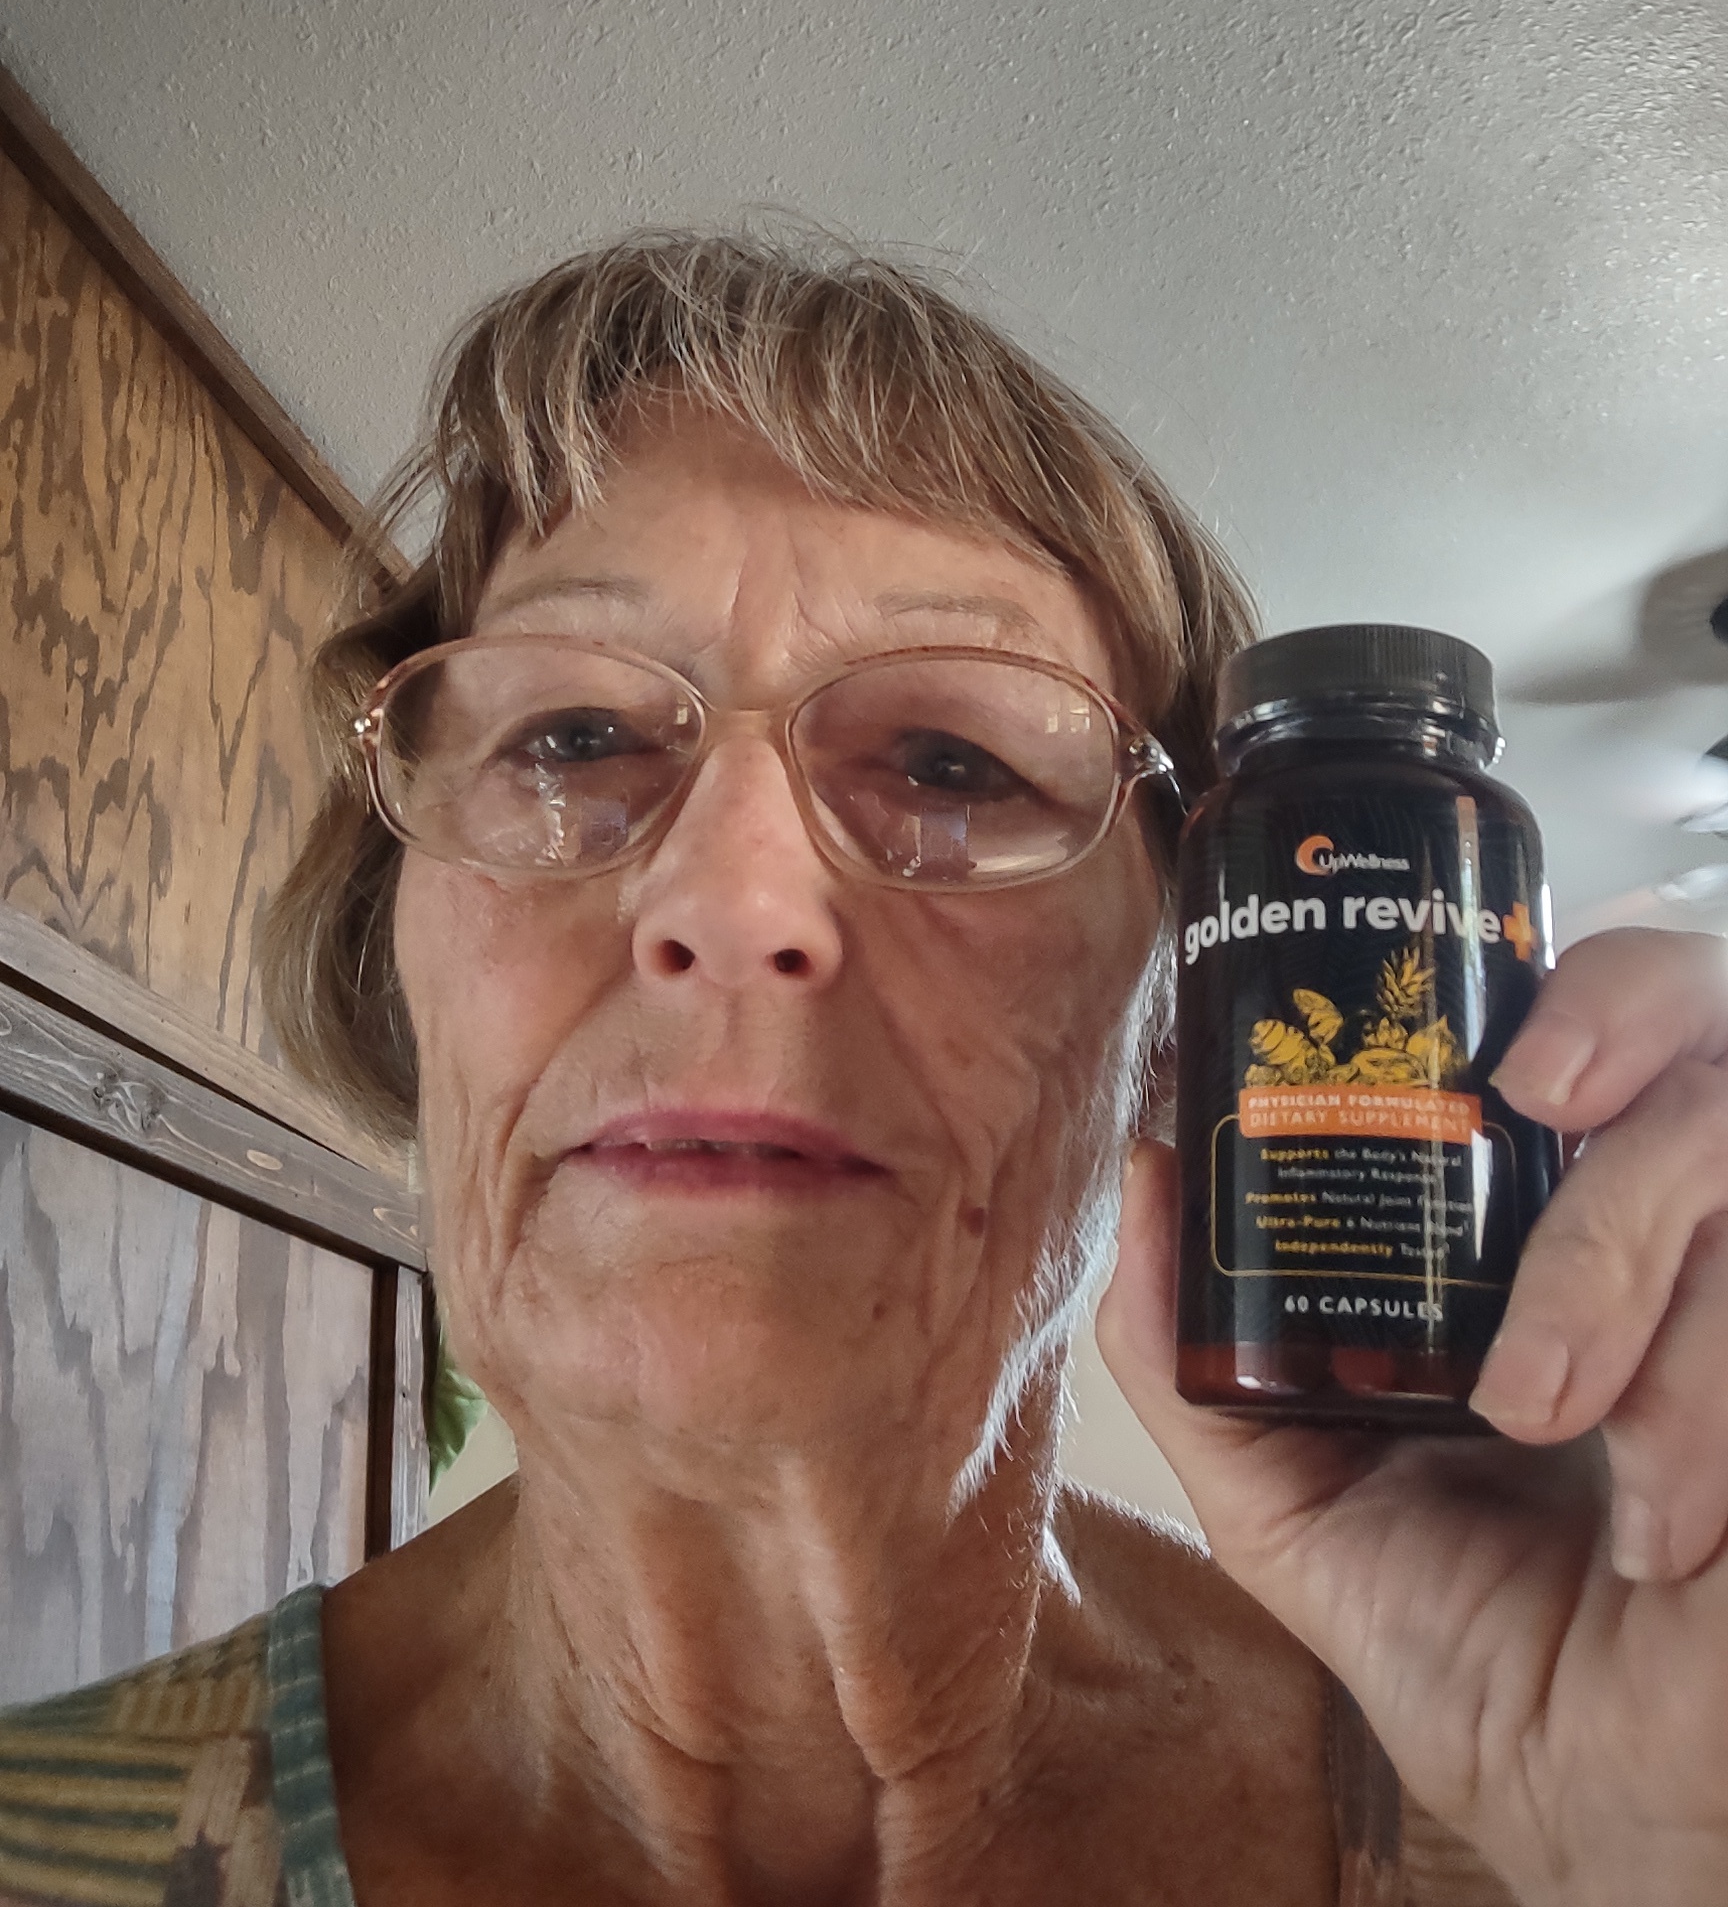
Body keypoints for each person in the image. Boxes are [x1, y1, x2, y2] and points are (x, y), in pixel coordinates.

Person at [3, 234, 1725, 1907]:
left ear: (1185, 1016)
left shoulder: (1535, 1804)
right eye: (573, 738)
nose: (729, 904)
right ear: (401, 940)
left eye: (952, 764)